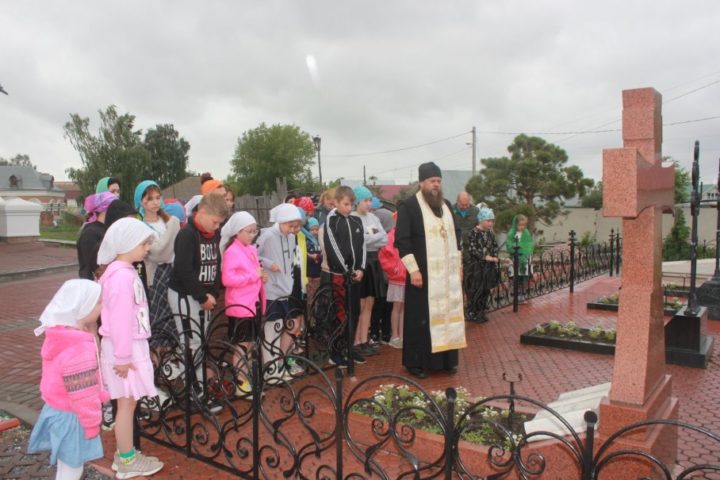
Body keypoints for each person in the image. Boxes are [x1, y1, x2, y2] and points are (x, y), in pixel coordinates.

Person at [96, 218, 165, 478]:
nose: (147, 248)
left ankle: (125, 454)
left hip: (126, 347)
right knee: (126, 405)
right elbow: (121, 320)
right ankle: (126, 460)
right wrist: (123, 357)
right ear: (127, 244)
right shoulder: (122, 277)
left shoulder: (123, 272)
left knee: (128, 403)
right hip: (124, 349)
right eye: (144, 243)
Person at [27, 279, 107, 480]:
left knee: (65, 464)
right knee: (73, 468)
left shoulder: (60, 336)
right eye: (98, 303)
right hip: (74, 417)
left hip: (57, 410)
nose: (102, 306)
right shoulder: (79, 348)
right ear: (83, 308)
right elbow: (83, 394)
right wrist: (92, 423)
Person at [395, 162, 466, 379]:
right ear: (422, 182)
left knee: (447, 316)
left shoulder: (446, 205)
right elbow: (402, 241)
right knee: (420, 320)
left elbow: (457, 236)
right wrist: (413, 271)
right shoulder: (409, 206)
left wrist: (459, 266)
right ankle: (416, 363)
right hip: (422, 275)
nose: (436, 185)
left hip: (446, 276)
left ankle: (446, 361)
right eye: (432, 181)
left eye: (438, 181)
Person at [167, 194, 229, 402]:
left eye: (220, 224)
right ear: (202, 213)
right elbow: (183, 269)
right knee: (191, 342)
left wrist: (213, 293)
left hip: (204, 297)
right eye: (215, 222)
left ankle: (200, 384)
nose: (217, 227)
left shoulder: (214, 234)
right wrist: (202, 296)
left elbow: (216, 265)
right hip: (185, 296)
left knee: (201, 342)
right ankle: (194, 389)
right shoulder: (187, 235)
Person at [220, 211, 265, 398]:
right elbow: (227, 279)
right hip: (240, 306)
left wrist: (260, 277)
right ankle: (240, 381)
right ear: (237, 232)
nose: (252, 235)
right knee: (242, 345)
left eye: (255, 231)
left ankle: (246, 377)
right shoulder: (232, 251)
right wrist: (254, 276)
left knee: (250, 344)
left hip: (252, 303)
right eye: (249, 231)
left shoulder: (249, 248)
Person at [322, 186, 366, 366]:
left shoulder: (356, 221)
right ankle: (335, 351)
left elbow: (362, 246)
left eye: (351, 205)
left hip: (355, 275)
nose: (349, 208)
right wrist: (346, 270)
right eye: (345, 204)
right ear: (336, 202)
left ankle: (348, 347)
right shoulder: (331, 221)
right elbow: (333, 248)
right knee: (339, 313)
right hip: (339, 275)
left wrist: (360, 268)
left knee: (354, 312)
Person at [257, 203, 302, 372]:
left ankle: (280, 365)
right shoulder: (267, 236)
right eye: (290, 226)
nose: (292, 230)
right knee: (271, 331)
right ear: (281, 221)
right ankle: (271, 369)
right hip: (271, 291)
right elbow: (254, 256)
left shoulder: (291, 237)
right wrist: (269, 264)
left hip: (285, 289)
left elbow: (290, 262)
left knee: (285, 326)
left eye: (295, 227)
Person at [134, 181, 181, 343]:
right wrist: (173, 229)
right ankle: (156, 354)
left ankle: (171, 354)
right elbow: (157, 253)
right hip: (154, 278)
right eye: (150, 199)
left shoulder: (167, 221)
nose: (155, 202)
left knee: (173, 316)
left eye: (157, 197)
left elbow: (174, 248)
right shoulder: (141, 226)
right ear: (141, 202)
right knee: (157, 318)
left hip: (173, 273)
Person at [351, 186, 387, 356]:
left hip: (373, 261)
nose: (368, 203)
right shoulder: (352, 218)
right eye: (365, 200)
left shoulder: (373, 217)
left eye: (369, 200)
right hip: (360, 261)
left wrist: (370, 239)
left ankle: (364, 339)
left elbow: (384, 239)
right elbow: (359, 241)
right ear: (357, 201)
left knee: (369, 303)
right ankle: (356, 341)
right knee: (360, 304)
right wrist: (374, 238)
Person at [464, 206, 500, 323]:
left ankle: (481, 311)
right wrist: (485, 257)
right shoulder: (473, 233)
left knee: (486, 289)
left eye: (492, 221)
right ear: (481, 220)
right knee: (476, 289)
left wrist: (494, 256)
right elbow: (472, 249)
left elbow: (494, 246)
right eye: (488, 221)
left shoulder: (490, 233)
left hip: (488, 267)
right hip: (476, 267)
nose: (491, 223)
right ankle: (472, 312)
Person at [77, 192, 118, 280]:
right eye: (116, 208)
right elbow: (94, 266)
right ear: (105, 210)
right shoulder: (90, 233)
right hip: (94, 284)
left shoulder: (108, 229)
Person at [378, 218, 406, 349]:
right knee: (397, 307)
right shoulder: (391, 236)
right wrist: (393, 269)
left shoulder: (406, 235)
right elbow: (384, 255)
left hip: (406, 276)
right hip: (397, 277)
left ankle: (402, 335)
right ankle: (395, 335)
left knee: (404, 308)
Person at [506, 214, 534, 302]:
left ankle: (523, 293)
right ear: (515, 224)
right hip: (515, 258)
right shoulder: (512, 233)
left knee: (524, 277)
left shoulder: (526, 233)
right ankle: (516, 294)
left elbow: (529, 243)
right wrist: (516, 247)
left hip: (525, 258)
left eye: (524, 225)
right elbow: (509, 245)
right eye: (520, 225)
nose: (522, 227)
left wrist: (526, 251)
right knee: (516, 277)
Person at [303, 217, 323, 309]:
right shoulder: (305, 241)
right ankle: (310, 315)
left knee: (317, 295)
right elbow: (303, 255)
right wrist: (311, 256)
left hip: (318, 274)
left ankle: (316, 313)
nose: (315, 232)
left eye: (316, 229)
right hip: (309, 274)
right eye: (312, 230)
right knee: (310, 297)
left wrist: (318, 256)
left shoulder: (320, 241)